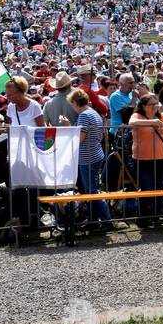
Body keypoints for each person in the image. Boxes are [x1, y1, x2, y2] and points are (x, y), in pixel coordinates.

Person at [129, 94, 163, 226]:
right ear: (143, 106)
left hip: (160, 159)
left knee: (158, 187)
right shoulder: (138, 116)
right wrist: (152, 122)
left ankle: (156, 215)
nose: (155, 107)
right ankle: (143, 218)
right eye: (152, 105)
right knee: (147, 188)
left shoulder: (162, 116)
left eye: (156, 104)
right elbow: (132, 123)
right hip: (142, 160)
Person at [68, 88, 112, 230]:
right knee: (91, 190)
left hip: (88, 158)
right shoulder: (93, 113)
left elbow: (80, 138)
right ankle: (94, 221)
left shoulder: (84, 116)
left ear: (75, 102)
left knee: (91, 191)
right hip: (95, 154)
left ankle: (106, 221)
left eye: (72, 104)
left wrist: (67, 129)